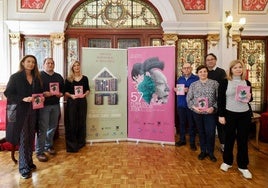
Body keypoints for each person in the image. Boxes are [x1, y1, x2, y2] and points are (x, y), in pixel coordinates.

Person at [4, 55, 44, 179]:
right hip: (20, 112)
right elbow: (8, 93)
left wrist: (41, 97)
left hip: (33, 111)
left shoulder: (37, 78)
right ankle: (23, 168)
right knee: (23, 139)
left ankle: (29, 162)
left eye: (33, 62)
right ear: (23, 62)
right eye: (28, 61)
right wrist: (22, 98)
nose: (31, 64)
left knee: (31, 137)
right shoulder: (15, 77)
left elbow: (38, 93)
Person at [218, 60, 253, 179]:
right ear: (231, 70)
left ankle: (243, 166)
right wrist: (221, 115)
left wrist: (248, 96)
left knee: (243, 140)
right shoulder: (225, 82)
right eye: (235, 68)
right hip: (229, 114)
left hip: (244, 114)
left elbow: (250, 98)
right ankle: (227, 162)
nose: (238, 69)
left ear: (242, 69)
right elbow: (221, 100)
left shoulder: (247, 82)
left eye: (240, 67)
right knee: (229, 138)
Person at [187, 65, 218, 162]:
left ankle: (211, 152)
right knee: (201, 132)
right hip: (198, 113)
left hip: (210, 113)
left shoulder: (214, 84)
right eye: (200, 72)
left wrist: (213, 107)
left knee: (210, 133)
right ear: (197, 73)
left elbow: (219, 98)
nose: (203, 73)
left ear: (207, 72)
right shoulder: (193, 85)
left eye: (204, 71)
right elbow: (189, 99)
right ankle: (203, 151)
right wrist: (194, 107)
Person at [35, 58, 64, 162]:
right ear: (43, 65)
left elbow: (63, 90)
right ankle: (39, 151)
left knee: (52, 127)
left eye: (52, 63)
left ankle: (49, 146)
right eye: (48, 63)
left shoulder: (58, 76)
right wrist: (44, 94)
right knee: (42, 129)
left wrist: (61, 94)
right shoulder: (39, 76)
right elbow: (35, 91)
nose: (50, 65)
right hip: (44, 106)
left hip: (55, 105)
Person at [64, 60, 90, 153]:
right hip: (72, 102)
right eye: (74, 66)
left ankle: (80, 143)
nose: (76, 67)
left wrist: (84, 94)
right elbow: (65, 92)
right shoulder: (68, 79)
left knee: (81, 121)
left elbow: (87, 90)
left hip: (82, 101)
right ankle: (72, 145)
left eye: (78, 65)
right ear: (72, 68)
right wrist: (71, 96)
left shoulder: (85, 78)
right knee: (72, 123)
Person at [174, 62, 199, 150]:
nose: (186, 69)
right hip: (181, 104)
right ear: (182, 70)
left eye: (188, 68)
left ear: (191, 69)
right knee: (182, 123)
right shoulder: (179, 79)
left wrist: (189, 90)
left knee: (192, 124)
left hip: (191, 105)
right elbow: (178, 90)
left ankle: (192, 142)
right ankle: (182, 140)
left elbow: (199, 92)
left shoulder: (196, 78)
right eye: (184, 68)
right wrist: (176, 89)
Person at [205, 53, 226, 152]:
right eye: (208, 60)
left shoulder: (221, 72)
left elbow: (224, 88)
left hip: (219, 103)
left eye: (212, 59)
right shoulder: (204, 72)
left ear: (215, 60)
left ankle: (223, 144)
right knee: (208, 126)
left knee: (221, 126)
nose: (210, 61)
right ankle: (208, 144)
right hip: (206, 104)